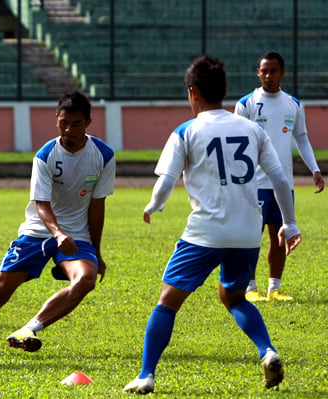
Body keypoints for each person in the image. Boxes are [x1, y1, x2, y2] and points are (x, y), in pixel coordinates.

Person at [124, 55, 302, 394]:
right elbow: (279, 177)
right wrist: (289, 223)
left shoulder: (186, 131)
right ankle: (267, 351)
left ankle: (146, 374)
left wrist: (154, 206)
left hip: (205, 232)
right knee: (234, 297)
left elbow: (165, 182)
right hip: (248, 232)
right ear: (223, 92)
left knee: (167, 301)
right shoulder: (252, 128)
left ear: (192, 93)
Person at [0, 91, 115, 354]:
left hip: (77, 235)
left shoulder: (104, 155)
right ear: (56, 119)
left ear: (88, 122)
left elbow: (97, 206)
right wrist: (57, 234)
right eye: (63, 122)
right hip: (38, 231)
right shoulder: (45, 155)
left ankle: (29, 328)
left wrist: (96, 252)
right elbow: (42, 204)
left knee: (86, 280)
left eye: (76, 124)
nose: (69, 129)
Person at [234, 50, 324, 302]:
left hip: (282, 184)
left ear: (282, 73)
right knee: (251, 236)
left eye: (273, 71)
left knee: (280, 235)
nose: (268, 75)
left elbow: (302, 139)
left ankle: (275, 287)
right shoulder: (245, 104)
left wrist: (315, 169)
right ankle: (251, 288)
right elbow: (234, 143)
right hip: (253, 183)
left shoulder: (293, 104)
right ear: (257, 73)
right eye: (264, 71)